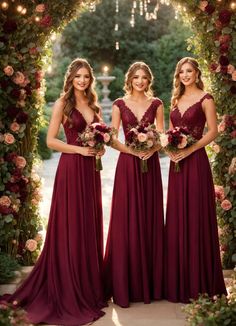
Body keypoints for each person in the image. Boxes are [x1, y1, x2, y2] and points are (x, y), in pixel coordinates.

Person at [6, 58, 106, 325]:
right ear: (70, 78)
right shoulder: (63, 104)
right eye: (78, 76)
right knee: (71, 225)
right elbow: (51, 140)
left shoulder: (94, 105)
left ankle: (88, 287)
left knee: (88, 224)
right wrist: (80, 149)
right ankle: (68, 286)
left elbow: (102, 136)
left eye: (86, 76)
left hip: (91, 172)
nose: (82, 81)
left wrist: (99, 148)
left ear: (90, 79)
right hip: (72, 170)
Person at [164, 57, 227, 303]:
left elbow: (213, 131)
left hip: (196, 162)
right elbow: (170, 132)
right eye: (181, 72)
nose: (185, 75)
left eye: (189, 71)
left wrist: (189, 151)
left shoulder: (206, 98)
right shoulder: (175, 100)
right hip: (176, 163)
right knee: (178, 216)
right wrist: (170, 151)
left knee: (196, 216)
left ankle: (200, 283)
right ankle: (177, 283)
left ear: (197, 73)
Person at [103, 62, 164, 308]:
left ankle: (151, 283)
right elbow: (111, 137)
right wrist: (131, 151)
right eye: (136, 77)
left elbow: (163, 135)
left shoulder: (157, 104)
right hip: (127, 166)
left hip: (150, 165)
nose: (140, 81)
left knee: (149, 217)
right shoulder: (119, 104)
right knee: (126, 219)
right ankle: (124, 283)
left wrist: (152, 148)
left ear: (149, 80)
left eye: (144, 77)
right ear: (130, 79)